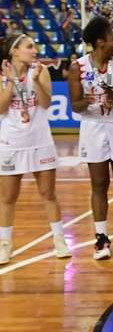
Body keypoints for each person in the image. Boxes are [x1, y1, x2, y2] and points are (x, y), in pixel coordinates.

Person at [69, 16, 113, 260]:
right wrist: (91, 99)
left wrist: (111, 93)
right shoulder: (77, 67)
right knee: (98, 184)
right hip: (93, 125)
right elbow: (76, 106)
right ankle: (101, 237)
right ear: (100, 42)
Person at [0, 35, 70, 264]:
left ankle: (59, 239)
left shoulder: (40, 71)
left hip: (40, 140)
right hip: (11, 142)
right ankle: (5, 244)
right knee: (8, 197)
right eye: (29, 46)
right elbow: (1, 109)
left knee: (48, 194)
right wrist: (11, 81)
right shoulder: (2, 76)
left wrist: (38, 81)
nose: (35, 50)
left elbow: (46, 103)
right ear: (15, 51)